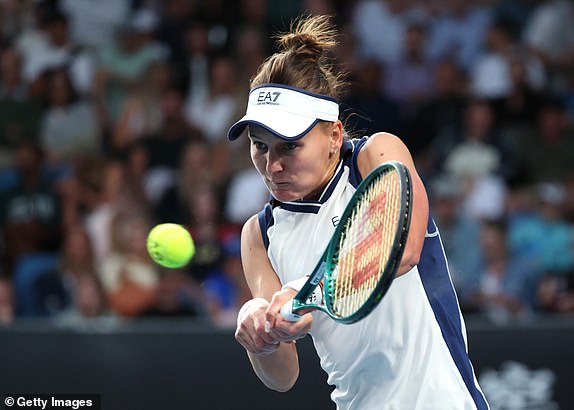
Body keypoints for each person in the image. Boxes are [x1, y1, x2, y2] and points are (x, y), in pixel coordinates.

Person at [230, 15, 489, 410]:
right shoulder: (258, 234)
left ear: (334, 136)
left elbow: (403, 250)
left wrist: (308, 289)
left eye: (289, 147)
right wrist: (260, 333)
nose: (272, 165)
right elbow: (283, 377)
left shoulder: (376, 155)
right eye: (260, 146)